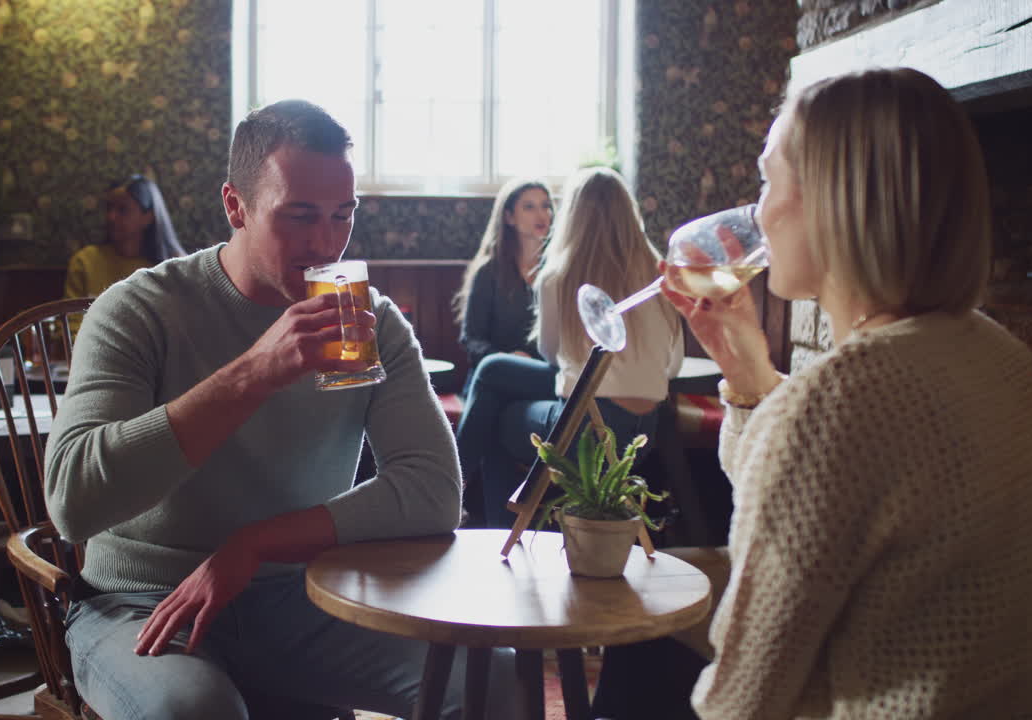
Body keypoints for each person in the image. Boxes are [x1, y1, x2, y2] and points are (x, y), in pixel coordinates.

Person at [596, 67, 1032, 719]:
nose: (756, 211)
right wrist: (748, 375)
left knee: (639, 640)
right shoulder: (994, 351)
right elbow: (817, 498)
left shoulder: (838, 400)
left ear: (829, 200)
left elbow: (744, 701)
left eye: (768, 180)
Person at [44, 100, 519, 720]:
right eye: (299, 216)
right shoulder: (139, 310)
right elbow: (71, 502)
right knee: (195, 710)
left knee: (497, 680)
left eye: (341, 216)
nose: (325, 242)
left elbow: (432, 490)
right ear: (235, 206)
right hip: (140, 601)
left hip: (303, 594)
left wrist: (257, 545)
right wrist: (255, 373)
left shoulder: (367, 320)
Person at [458, 167, 684, 529]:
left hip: (585, 432)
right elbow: (672, 367)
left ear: (572, 217)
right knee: (496, 375)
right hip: (643, 434)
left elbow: (550, 355)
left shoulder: (558, 276)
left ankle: (470, 505)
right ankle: (472, 502)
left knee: (496, 405)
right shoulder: (661, 275)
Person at [452, 178, 553, 378]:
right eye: (529, 207)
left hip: (542, 376)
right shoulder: (489, 272)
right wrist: (505, 359)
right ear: (509, 217)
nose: (541, 215)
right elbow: (472, 340)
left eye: (546, 206)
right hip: (497, 375)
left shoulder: (557, 271)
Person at [62, 174, 185, 300]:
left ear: (147, 217)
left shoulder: (174, 267)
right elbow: (71, 318)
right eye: (109, 208)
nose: (111, 217)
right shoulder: (85, 261)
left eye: (123, 209)